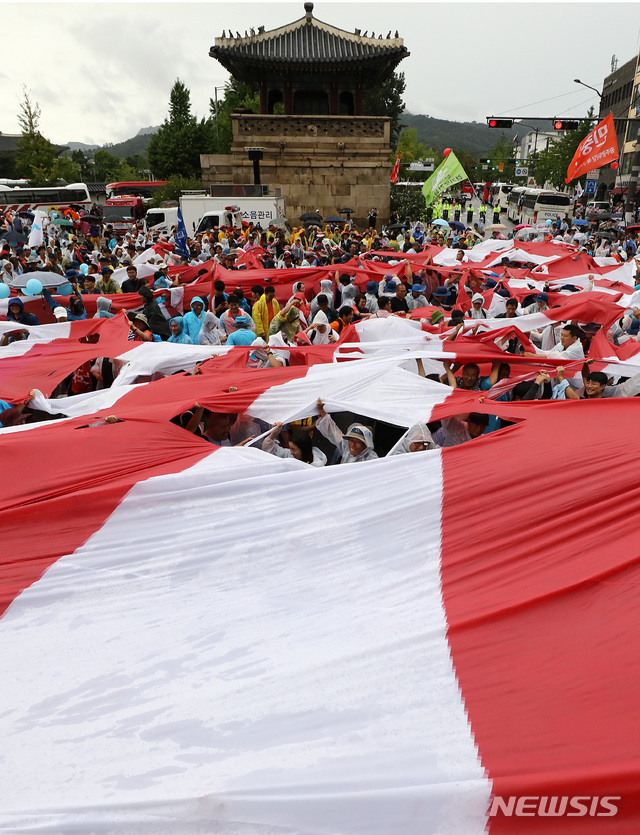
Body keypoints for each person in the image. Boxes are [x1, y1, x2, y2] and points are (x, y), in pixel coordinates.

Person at [315, 399, 378, 463]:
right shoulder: (346, 448)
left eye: (358, 442)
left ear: (366, 445)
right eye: (351, 440)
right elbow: (332, 429)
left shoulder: (372, 461)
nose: (353, 444)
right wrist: (321, 410)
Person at [263, 422, 327, 467]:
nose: (291, 452)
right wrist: (273, 434)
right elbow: (269, 451)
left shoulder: (318, 467)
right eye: (290, 448)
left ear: (303, 449)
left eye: (293, 449)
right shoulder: (289, 454)